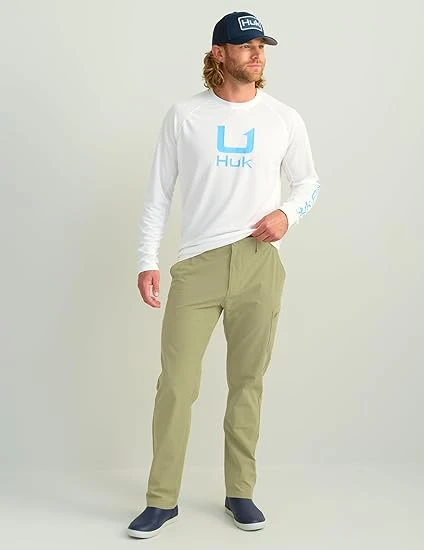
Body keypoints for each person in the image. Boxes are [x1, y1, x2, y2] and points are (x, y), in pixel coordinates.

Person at [127, 10, 320, 539]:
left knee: (247, 383)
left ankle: (240, 492)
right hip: (198, 266)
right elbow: (158, 193)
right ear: (219, 53)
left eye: (262, 46)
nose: (257, 54)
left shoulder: (283, 118)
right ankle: (161, 499)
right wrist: (147, 259)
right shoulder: (185, 116)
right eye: (245, 45)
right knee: (176, 385)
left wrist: (287, 215)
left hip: (259, 263)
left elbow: (308, 182)